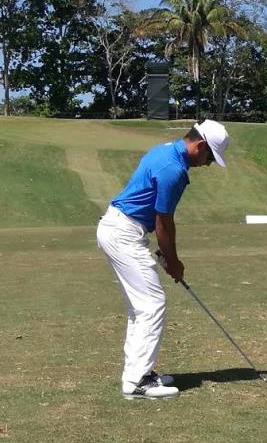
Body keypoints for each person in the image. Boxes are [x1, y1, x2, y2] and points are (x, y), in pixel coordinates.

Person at [96, 119, 230, 400]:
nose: (207, 164)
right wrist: (173, 261)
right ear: (200, 145)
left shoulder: (164, 150)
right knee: (152, 304)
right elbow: (163, 222)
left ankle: (137, 375)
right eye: (209, 157)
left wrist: (164, 254)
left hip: (119, 228)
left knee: (141, 307)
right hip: (123, 233)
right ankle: (138, 382)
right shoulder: (174, 169)